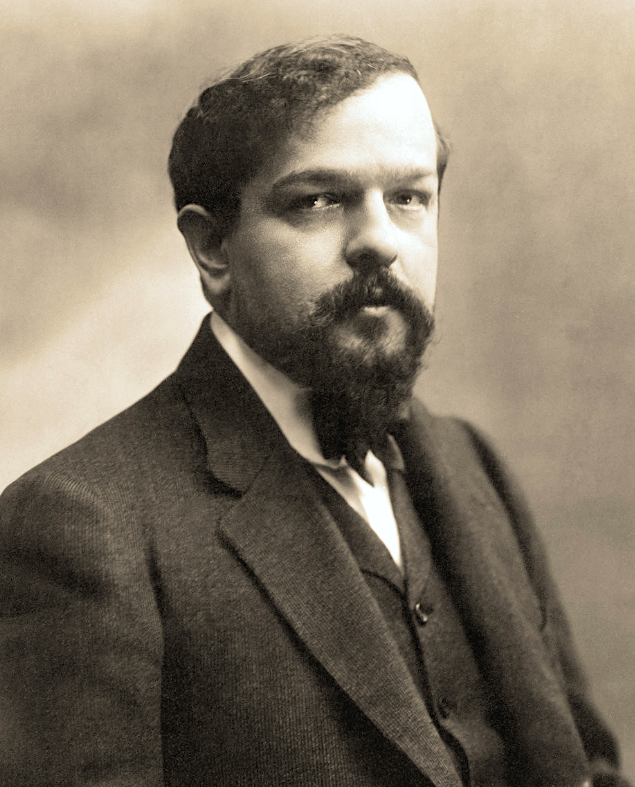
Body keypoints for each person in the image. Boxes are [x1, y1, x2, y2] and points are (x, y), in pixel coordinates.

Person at [0, 35, 628, 787]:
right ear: (212, 249)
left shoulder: (469, 464)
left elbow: (587, 765)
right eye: (318, 201)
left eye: (408, 197)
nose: (379, 242)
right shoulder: (80, 524)